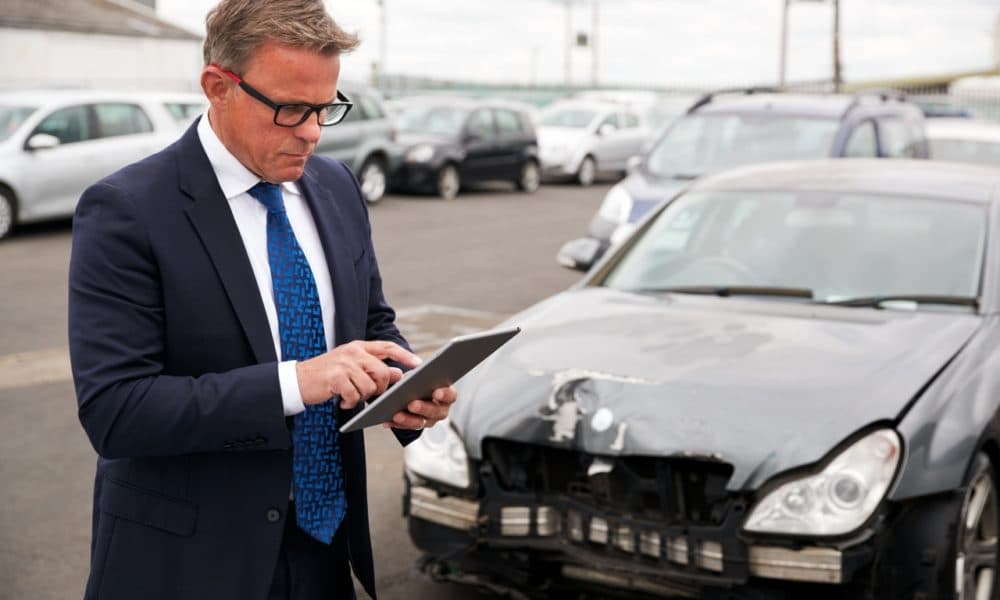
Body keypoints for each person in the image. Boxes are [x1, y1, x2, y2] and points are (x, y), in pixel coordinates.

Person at [67, 1, 456, 598]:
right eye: (291, 109)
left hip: (327, 551)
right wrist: (297, 382)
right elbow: (117, 412)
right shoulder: (128, 210)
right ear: (218, 87)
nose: (313, 132)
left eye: (326, 108)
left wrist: (405, 386)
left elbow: (371, 321)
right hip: (189, 565)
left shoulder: (336, 185)